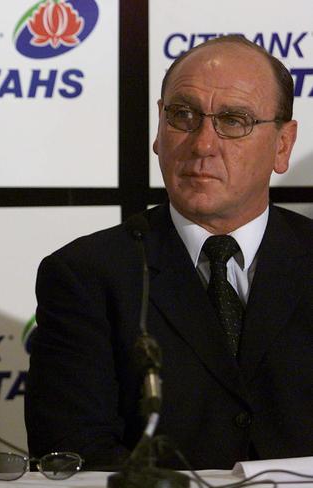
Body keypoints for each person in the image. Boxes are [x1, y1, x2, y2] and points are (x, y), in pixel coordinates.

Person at [25, 35, 313, 470]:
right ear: (159, 132)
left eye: (233, 120)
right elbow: (72, 452)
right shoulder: (86, 274)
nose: (202, 145)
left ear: (282, 145)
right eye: (183, 115)